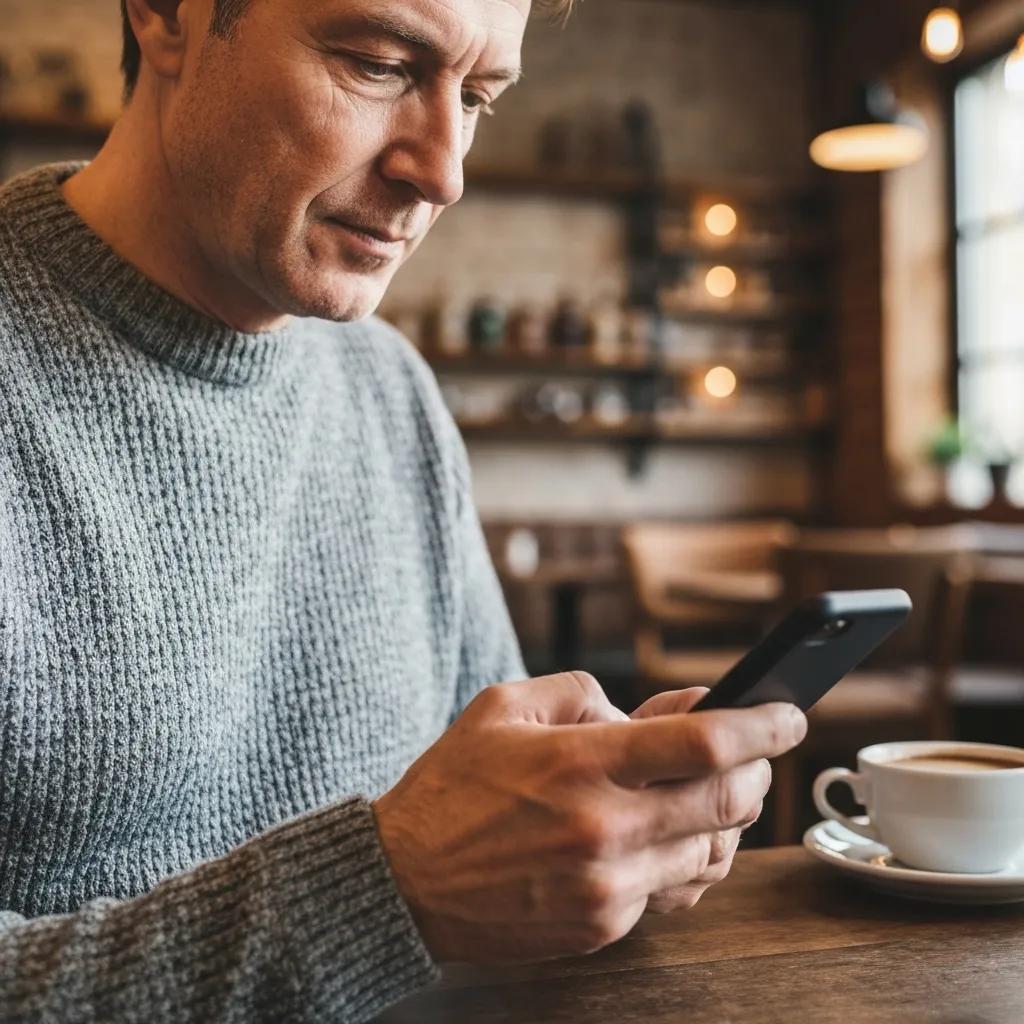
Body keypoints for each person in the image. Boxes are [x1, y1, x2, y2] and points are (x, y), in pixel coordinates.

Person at [0, 0, 808, 1020]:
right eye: (379, 64)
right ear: (165, 15)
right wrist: (377, 897)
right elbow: (412, 886)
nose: (443, 172)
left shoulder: (391, 389)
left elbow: (496, 804)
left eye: (475, 98)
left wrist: (601, 831)